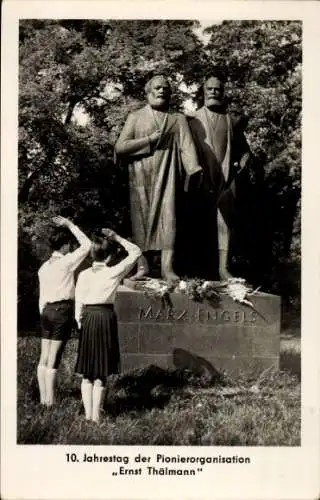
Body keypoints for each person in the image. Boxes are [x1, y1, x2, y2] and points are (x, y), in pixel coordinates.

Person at [115, 74, 202, 282]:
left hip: (168, 175)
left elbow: (187, 146)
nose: (162, 90)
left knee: (168, 220)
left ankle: (167, 268)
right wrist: (148, 140)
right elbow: (120, 147)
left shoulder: (177, 118)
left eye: (165, 88)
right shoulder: (135, 117)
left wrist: (194, 168)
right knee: (140, 223)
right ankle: (142, 267)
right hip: (140, 178)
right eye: (157, 87)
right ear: (148, 92)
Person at [189, 72, 253, 280]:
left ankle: (223, 269)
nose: (214, 92)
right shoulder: (191, 119)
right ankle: (193, 268)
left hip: (224, 181)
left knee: (223, 223)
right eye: (210, 89)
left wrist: (244, 162)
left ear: (223, 93)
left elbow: (244, 150)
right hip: (200, 180)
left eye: (218, 89)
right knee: (195, 222)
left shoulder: (230, 121)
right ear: (203, 92)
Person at [74, 229, 142, 423]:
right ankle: (96, 416)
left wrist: (80, 322)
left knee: (87, 371)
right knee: (101, 371)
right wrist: (117, 237)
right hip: (105, 318)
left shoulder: (84, 274)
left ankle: (89, 416)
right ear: (111, 256)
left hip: (88, 318)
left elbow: (78, 301)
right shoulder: (113, 271)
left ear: (92, 254)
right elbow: (136, 252)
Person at [37, 216, 91, 406]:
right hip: (61, 311)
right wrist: (70, 224)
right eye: (70, 244)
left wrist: (43, 313)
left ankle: (44, 401)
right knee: (53, 359)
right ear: (66, 246)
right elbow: (87, 245)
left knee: (44, 357)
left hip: (46, 311)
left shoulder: (44, 267)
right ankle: (50, 403)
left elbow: (42, 297)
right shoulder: (66, 262)